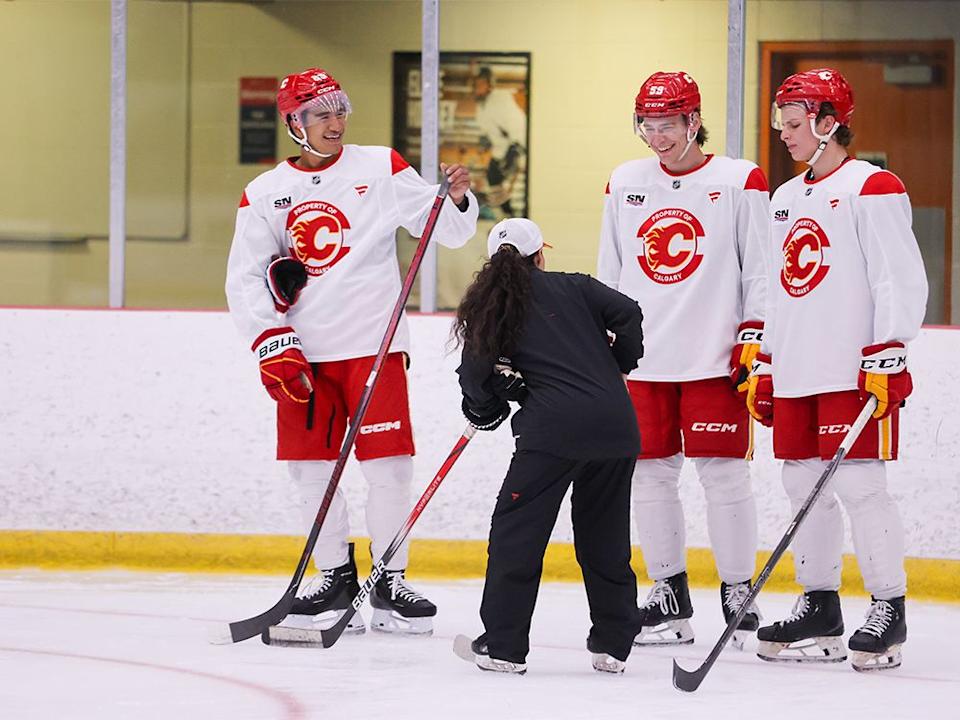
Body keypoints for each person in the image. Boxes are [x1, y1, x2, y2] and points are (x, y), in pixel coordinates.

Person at [225, 67, 479, 642]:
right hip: (302, 353)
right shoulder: (265, 193)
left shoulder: (380, 167)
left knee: (388, 465)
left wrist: (456, 199)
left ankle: (389, 581)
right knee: (309, 468)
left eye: (340, 111)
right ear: (295, 123)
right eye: (320, 114)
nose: (334, 123)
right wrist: (271, 341)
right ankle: (335, 575)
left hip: (373, 344)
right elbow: (244, 278)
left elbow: (449, 232)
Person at [750, 68, 927, 671]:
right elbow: (779, 287)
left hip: (853, 368)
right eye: (782, 125)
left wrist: (890, 348)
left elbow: (896, 275)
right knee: (802, 485)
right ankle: (820, 605)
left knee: (859, 485)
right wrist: (769, 361)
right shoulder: (784, 198)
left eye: (796, 126)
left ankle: (888, 606)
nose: (786, 137)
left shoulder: (872, 186)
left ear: (830, 124)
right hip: (799, 365)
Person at [597, 71, 770, 647]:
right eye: (646, 124)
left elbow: (760, 270)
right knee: (649, 475)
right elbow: (612, 271)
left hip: (715, 357)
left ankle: (739, 589)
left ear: (694, 121)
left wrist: (755, 336)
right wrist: (605, 340)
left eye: (667, 123)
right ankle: (668, 594)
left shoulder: (740, 179)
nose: (656, 136)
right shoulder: (625, 180)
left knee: (723, 476)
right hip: (643, 360)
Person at [455, 218, 645, 674]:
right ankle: (613, 645)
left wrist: (486, 406)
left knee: (515, 536)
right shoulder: (577, 286)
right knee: (605, 536)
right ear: (541, 253)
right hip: (616, 427)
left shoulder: (493, 307)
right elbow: (630, 312)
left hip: (551, 434)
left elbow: (474, 375)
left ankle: (503, 646)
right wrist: (621, 363)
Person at [473, 66, 527, 219]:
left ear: (489, 84)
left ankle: (510, 215)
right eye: (476, 84)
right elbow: (487, 129)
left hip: (514, 147)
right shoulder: (481, 105)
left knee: (503, 181)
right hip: (499, 149)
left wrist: (517, 147)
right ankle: (504, 215)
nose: (478, 88)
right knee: (493, 178)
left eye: (481, 83)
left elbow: (517, 122)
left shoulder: (500, 99)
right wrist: (485, 141)